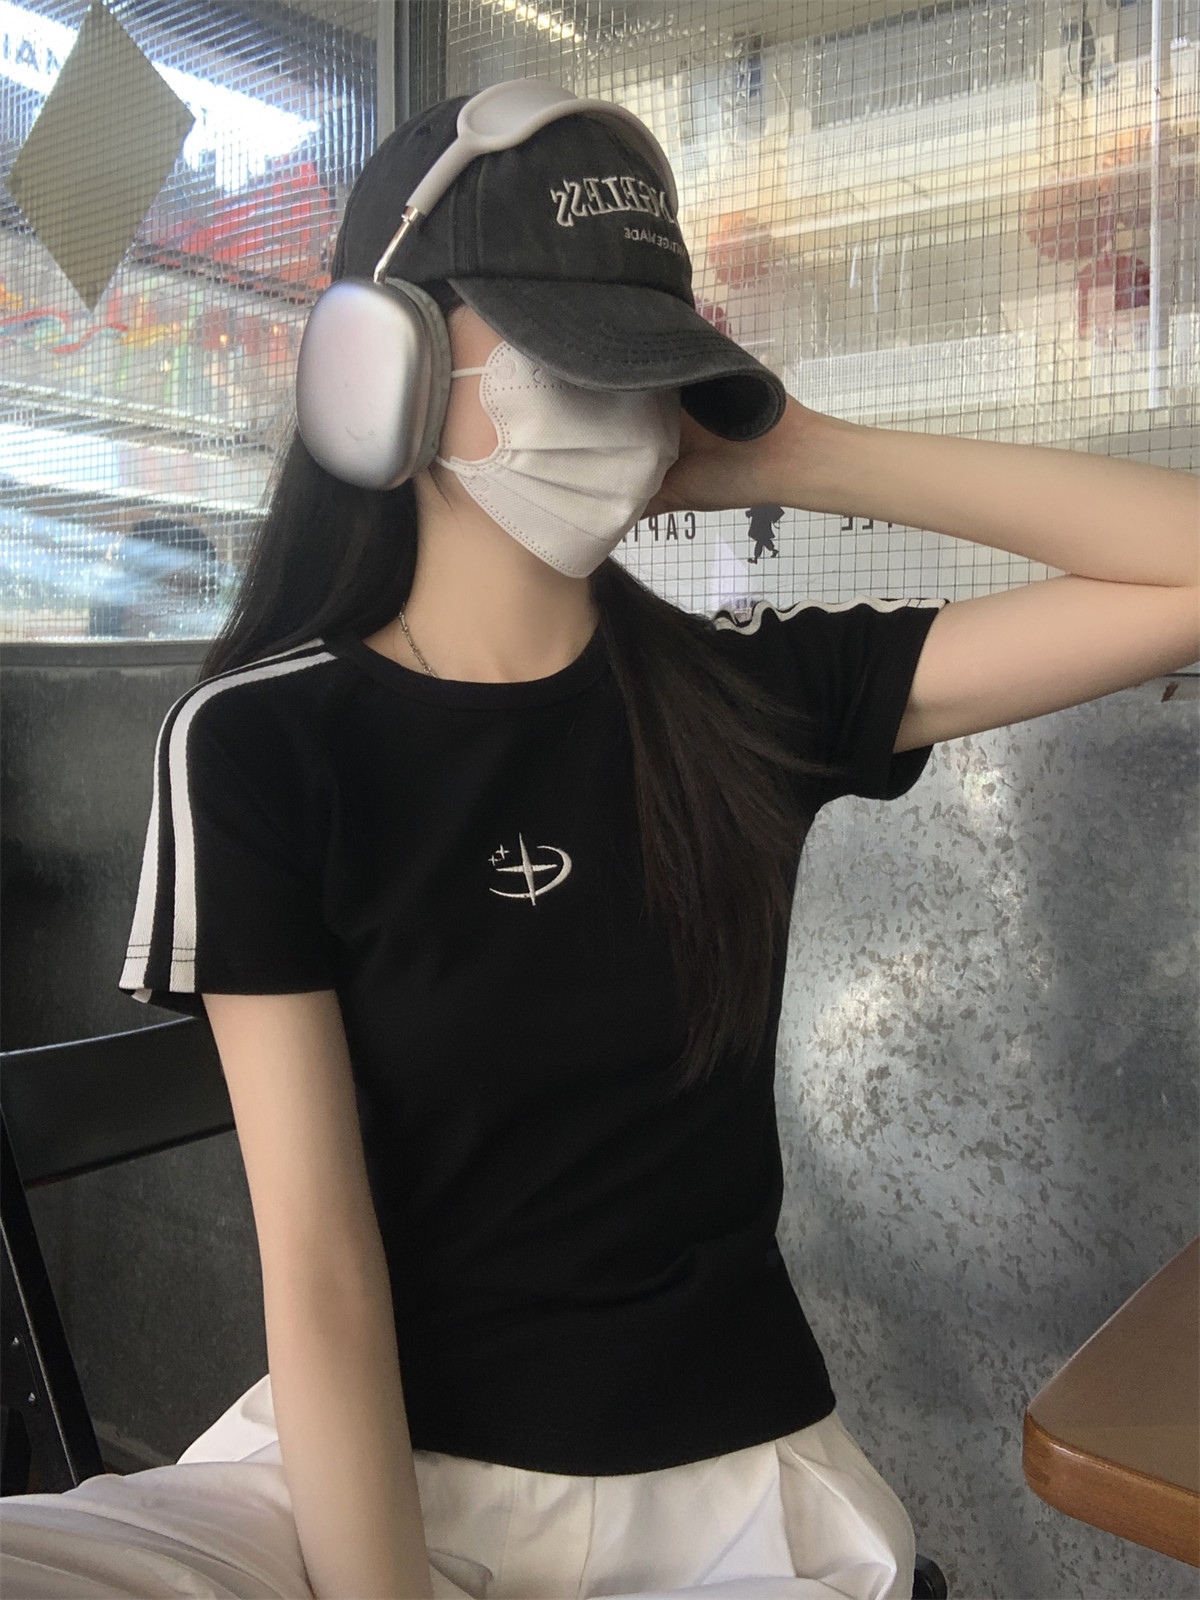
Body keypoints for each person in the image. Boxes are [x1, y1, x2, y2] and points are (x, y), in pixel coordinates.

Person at [1, 82, 1196, 1600]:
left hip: (724, 1503)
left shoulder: (743, 698)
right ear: (380, 368)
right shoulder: (262, 743)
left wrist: (794, 451)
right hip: (363, 1474)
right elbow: (319, 1263)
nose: (619, 416)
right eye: (569, 359)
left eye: (644, 370)